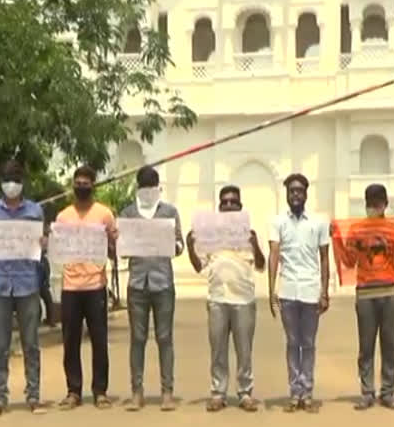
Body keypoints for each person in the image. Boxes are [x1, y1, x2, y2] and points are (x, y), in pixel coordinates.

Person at [186, 185, 265, 412]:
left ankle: (245, 393)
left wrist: (254, 244)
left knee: (244, 349)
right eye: (225, 202)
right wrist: (191, 245)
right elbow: (198, 266)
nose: (229, 205)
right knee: (218, 349)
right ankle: (218, 392)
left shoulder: (249, 232)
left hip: (244, 300)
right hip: (218, 298)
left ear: (240, 206)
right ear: (219, 207)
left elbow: (260, 265)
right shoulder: (210, 234)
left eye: (233, 202)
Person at [0, 160, 45, 416]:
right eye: (7, 178)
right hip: (0, 284)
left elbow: (42, 244)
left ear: (22, 181)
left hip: (28, 282)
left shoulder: (35, 211)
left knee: (31, 343)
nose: (11, 183)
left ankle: (34, 395)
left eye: (16, 178)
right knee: (0, 345)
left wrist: (44, 242)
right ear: (1, 182)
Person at [345, 184, 394, 411]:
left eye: (377, 203)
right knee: (366, 347)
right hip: (365, 293)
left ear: (385, 204)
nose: (373, 207)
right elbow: (348, 260)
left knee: (390, 345)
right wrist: (340, 240)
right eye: (370, 203)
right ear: (365, 205)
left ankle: (387, 392)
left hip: (390, 292)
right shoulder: (356, 230)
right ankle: (367, 392)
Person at [120, 166, 184, 412]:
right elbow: (123, 251)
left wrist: (173, 245)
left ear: (158, 186)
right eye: (144, 185)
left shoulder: (169, 212)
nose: (148, 190)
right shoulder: (128, 213)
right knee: (137, 339)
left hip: (163, 283)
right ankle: (137, 392)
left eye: (152, 185)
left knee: (165, 338)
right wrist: (120, 243)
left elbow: (179, 246)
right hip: (137, 283)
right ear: (138, 187)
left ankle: (167, 392)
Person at [55, 166, 117, 410]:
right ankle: (73, 390)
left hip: (96, 285)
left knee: (99, 339)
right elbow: (57, 252)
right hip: (70, 286)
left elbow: (113, 250)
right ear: (73, 186)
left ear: (93, 185)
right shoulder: (63, 217)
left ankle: (100, 391)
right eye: (77, 183)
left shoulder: (104, 214)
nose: (81, 186)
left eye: (86, 183)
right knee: (70, 341)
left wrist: (114, 243)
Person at [268, 173, 330, 413]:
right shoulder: (277, 222)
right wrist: (272, 289)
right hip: (287, 291)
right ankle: (295, 392)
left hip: (310, 291)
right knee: (293, 343)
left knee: (309, 343)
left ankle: (308, 392)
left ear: (306, 194)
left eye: (299, 191)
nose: (295, 195)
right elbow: (274, 254)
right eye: (291, 191)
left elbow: (324, 258)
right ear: (286, 194)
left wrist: (325, 291)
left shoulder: (318, 222)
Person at [38, 227, 55, 327]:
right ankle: (37, 321)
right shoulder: (37, 259)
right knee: (36, 303)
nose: (45, 246)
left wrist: (47, 281)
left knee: (48, 300)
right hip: (35, 283)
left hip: (43, 283)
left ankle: (50, 320)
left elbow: (47, 272)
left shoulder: (44, 259)